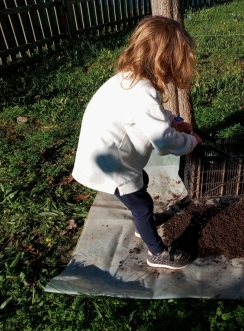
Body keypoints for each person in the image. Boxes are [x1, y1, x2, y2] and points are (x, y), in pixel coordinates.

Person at [72, 16, 202, 269]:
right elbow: (164, 143)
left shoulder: (127, 79)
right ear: (168, 60)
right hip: (113, 165)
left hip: (101, 153)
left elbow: (144, 117)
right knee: (141, 205)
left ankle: (146, 226)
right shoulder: (144, 93)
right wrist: (190, 140)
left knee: (142, 184)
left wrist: (174, 120)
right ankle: (157, 253)